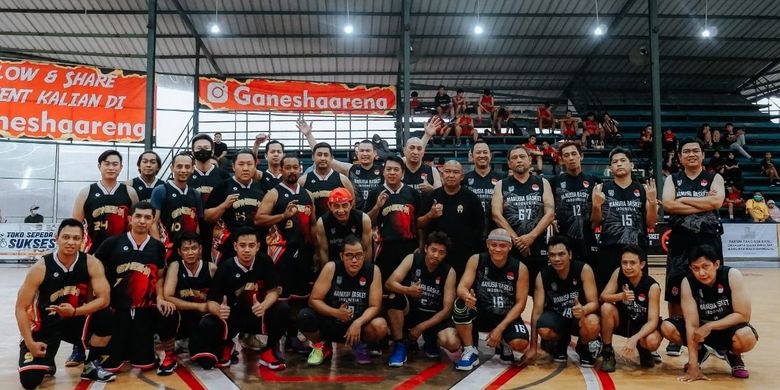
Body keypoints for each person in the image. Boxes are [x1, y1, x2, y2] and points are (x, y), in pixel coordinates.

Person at [16, 219, 114, 388]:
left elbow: (104, 299)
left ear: (82, 240)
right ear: (57, 238)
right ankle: (47, 359)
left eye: (76, 238)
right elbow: (21, 308)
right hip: (47, 323)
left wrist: (75, 311)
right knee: (30, 382)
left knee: (107, 317)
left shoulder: (91, 263)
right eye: (66, 237)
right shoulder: (40, 268)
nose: (71, 242)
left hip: (75, 319)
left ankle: (91, 364)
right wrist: (30, 342)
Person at [190, 227, 290, 370]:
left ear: (258, 246)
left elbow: (274, 291)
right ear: (235, 246)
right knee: (208, 322)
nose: (247, 250)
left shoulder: (265, 261)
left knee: (283, 309)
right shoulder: (225, 267)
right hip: (233, 317)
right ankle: (226, 345)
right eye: (242, 245)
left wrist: (264, 305)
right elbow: (212, 300)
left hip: (258, 314)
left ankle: (269, 350)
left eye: (251, 245)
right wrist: (219, 311)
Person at [93, 201, 173, 373]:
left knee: (145, 364)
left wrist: (159, 297)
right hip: (117, 308)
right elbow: (94, 266)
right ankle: (92, 353)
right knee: (112, 363)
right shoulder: (112, 243)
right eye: (138, 216)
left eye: (147, 217)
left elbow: (159, 276)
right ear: (130, 218)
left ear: (152, 221)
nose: (142, 221)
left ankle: (164, 352)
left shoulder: (158, 247)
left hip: (145, 309)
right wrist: (101, 292)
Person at [662, 138, 724, 356]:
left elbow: (716, 203)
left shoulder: (714, 177)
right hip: (680, 241)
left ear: (702, 155)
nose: (691, 154)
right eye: (686, 151)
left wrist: (685, 200)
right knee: (675, 289)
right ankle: (677, 337)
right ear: (680, 157)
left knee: (712, 289)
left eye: (695, 151)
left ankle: (714, 338)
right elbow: (668, 205)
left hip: (708, 240)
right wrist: (701, 202)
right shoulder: (673, 179)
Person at [660, 244, 757, 381]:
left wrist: (710, 326)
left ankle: (733, 355)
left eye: (705, 266)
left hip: (727, 329)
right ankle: (700, 352)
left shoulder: (732, 275)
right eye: (696, 268)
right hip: (700, 333)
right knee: (667, 327)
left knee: (746, 336)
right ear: (691, 268)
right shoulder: (687, 282)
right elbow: (691, 325)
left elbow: (743, 315)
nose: (701, 273)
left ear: (716, 264)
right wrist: (693, 364)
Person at [297, 235, 388, 366]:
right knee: (304, 316)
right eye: (349, 255)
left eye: (358, 255)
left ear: (364, 255)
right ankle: (322, 344)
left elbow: (375, 306)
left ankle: (361, 345)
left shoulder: (373, 270)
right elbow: (314, 300)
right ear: (342, 256)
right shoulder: (331, 268)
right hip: (332, 322)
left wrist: (358, 322)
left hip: (358, 326)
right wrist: (336, 312)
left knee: (380, 325)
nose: (354, 260)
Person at [452, 229, 530, 370]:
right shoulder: (476, 260)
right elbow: (462, 287)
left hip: (505, 315)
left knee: (520, 344)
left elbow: (520, 304)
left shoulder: (520, 268)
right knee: (460, 303)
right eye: (494, 245)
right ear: (487, 244)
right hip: (482, 313)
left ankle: (505, 343)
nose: (497, 249)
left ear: (510, 246)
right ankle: (470, 349)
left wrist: (500, 329)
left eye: (502, 245)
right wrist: (466, 296)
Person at [385, 232, 460, 366]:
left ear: (446, 255)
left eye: (441, 252)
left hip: (433, 316)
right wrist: (407, 290)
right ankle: (400, 344)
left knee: (452, 343)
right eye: (433, 250)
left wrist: (421, 327)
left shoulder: (449, 272)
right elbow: (389, 283)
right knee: (394, 297)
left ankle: (431, 338)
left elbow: (448, 309)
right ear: (426, 248)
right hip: (412, 311)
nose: (436, 255)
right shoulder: (412, 259)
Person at [524, 236, 601, 367]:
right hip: (557, 316)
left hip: (579, 316)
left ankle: (583, 347)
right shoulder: (542, 275)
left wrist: (584, 310)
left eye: (561, 254)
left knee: (593, 323)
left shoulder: (584, 270)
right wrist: (533, 347)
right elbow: (537, 311)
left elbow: (594, 303)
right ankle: (561, 342)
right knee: (544, 330)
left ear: (570, 254)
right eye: (552, 255)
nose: (557, 259)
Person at [492, 145, 555, 294]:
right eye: (514, 158)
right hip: (511, 247)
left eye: (522, 157)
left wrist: (531, 237)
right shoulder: (501, 184)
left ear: (530, 160)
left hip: (538, 244)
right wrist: (518, 240)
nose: (519, 160)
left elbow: (550, 213)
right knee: (512, 291)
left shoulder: (542, 182)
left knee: (538, 291)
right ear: (509, 164)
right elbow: (496, 214)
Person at [592, 147, 657, 291]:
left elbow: (651, 223)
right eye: (615, 162)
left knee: (638, 293)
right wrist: (596, 206)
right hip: (609, 247)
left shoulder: (643, 189)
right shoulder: (601, 189)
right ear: (610, 167)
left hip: (636, 248)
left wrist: (652, 203)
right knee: (606, 294)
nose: (619, 164)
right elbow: (595, 222)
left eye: (623, 160)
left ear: (631, 165)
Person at [158, 232, 217, 375]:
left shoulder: (211, 268)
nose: (190, 252)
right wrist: (198, 306)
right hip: (182, 319)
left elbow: (218, 299)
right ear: (179, 251)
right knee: (167, 309)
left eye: (194, 248)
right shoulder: (175, 266)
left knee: (207, 363)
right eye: (185, 249)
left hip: (203, 321)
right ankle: (169, 353)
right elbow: (168, 296)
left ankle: (222, 345)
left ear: (200, 249)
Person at [598, 245, 662, 371]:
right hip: (623, 321)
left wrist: (634, 339)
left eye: (632, 263)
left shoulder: (652, 286)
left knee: (652, 341)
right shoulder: (618, 273)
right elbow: (603, 297)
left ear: (642, 264)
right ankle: (607, 353)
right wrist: (620, 296)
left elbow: (653, 321)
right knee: (606, 308)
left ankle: (644, 349)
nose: (628, 267)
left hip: (641, 326)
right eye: (624, 262)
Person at [298, 120, 383, 211]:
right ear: (357, 154)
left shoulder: (383, 171)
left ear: (374, 153)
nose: (364, 153)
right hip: (357, 215)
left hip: (377, 214)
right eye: (361, 151)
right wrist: (308, 136)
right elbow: (325, 158)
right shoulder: (350, 169)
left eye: (368, 151)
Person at [418, 160, 484, 277]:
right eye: (447, 171)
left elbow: (479, 229)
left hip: (463, 255)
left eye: (455, 172)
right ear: (442, 174)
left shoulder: (472, 198)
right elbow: (419, 224)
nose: (451, 175)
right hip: (436, 256)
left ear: (462, 176)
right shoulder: (431, 196)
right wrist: (430, 215)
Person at [365, 155, 423, 282]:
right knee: (385, 285)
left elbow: (419, 224)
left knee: (408, 284)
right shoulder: (375, 193)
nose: (392, 173)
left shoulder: (413, 193)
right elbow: (367, 223)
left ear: (402, 173)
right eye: (389, 169)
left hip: (409, 247)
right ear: (383, 172)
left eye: (396, 169)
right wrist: (377, 207)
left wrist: (421, 245)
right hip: (384, 247)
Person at [73, 150, 140, 254]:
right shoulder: (86, 192)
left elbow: (136, 223)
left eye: (115, 164)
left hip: (123, 251)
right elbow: (75, 224)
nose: (111, 168)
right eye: (107, 164)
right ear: (99, 166)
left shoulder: (130, 192)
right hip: (92, 250)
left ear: (121, 167)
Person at [205, 149, 265, 260]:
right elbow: (207, 217)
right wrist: (224, 205)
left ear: (255, 166)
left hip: (256, 246)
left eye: (249, 164)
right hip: (229, 247)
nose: (245, 168)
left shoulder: (262, 187)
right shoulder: (222, 187)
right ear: (233, 166)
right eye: (241, 164)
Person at [550, 141, 601, 268]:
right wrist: (551, 221)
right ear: (561, 160)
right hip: (563, 240)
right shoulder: (554, 182)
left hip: (588, 238)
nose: (571, 158)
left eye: (574, 154)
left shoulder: (594, 181)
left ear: (581, 156)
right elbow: (546, 208)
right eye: (566, 155)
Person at [150, 153, 203, 258]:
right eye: (179, 166)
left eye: (187, 167)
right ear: (172, 168)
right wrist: (159, 248)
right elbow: (153, 223)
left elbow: (197, 225)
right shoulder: (161, 190)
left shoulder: (195, 194)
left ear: (193, 169)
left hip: (188, 250)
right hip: (168, 247)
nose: (183, 170)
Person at [190, 134, 231, 261]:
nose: (202, 150)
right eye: (198, 148)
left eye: (206, 147)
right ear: (192, 151)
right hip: (192, 230)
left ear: (212, 150)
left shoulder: (224, 176)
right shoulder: (186, 175)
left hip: (217, 232)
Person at [314, 188, 372, 265]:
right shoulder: (322, 223)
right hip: (334, 264)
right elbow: (323, 251)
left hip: (358, 263)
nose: (341, 211)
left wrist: (366, 271)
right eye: (336, 206)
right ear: (330, 206)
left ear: (351, 205)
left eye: (344, 205)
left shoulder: (363, 219)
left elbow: (367, 248)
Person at [297, 141, 355, 220]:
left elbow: (352, 204)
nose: (322, 158)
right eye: (319, 155)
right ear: (313, 157)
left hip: (337, 228)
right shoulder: (303, 181)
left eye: (326, 155)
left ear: (331, 158)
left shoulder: (343, 180)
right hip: (313, 228)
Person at [462, 141, 503, 250]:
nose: (482, 155)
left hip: (496, 234)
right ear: (472, 156)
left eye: (485, 152)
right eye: (478, 152)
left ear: (490, 155)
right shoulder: (464, 180)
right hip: (470, 234)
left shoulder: (502, 179)